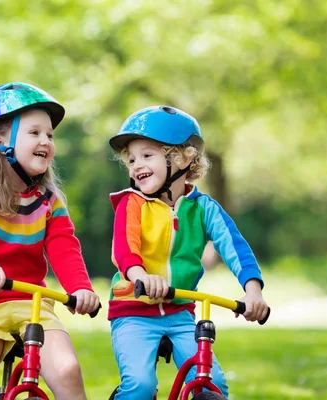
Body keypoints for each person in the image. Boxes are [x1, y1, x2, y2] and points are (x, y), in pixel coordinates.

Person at [0, 82, 100, 400]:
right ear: (0, 139)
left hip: (32, 303)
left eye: (50, 135)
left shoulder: (49, 199)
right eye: (35, 133)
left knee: (68, 370)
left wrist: (80, 287)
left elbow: (64, 246)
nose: (46, 140)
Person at [107, 106, 269, 399]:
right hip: (133, 310)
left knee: (212, 383)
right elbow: (124, 248)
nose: (135, 165)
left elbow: (235, 247)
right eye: (131, 159)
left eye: (147, 155)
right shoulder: (132, 204)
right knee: (140, 386)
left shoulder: (203, 208)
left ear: (183, 158)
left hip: (180, 312)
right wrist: (140, 275)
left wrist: (253, 290)